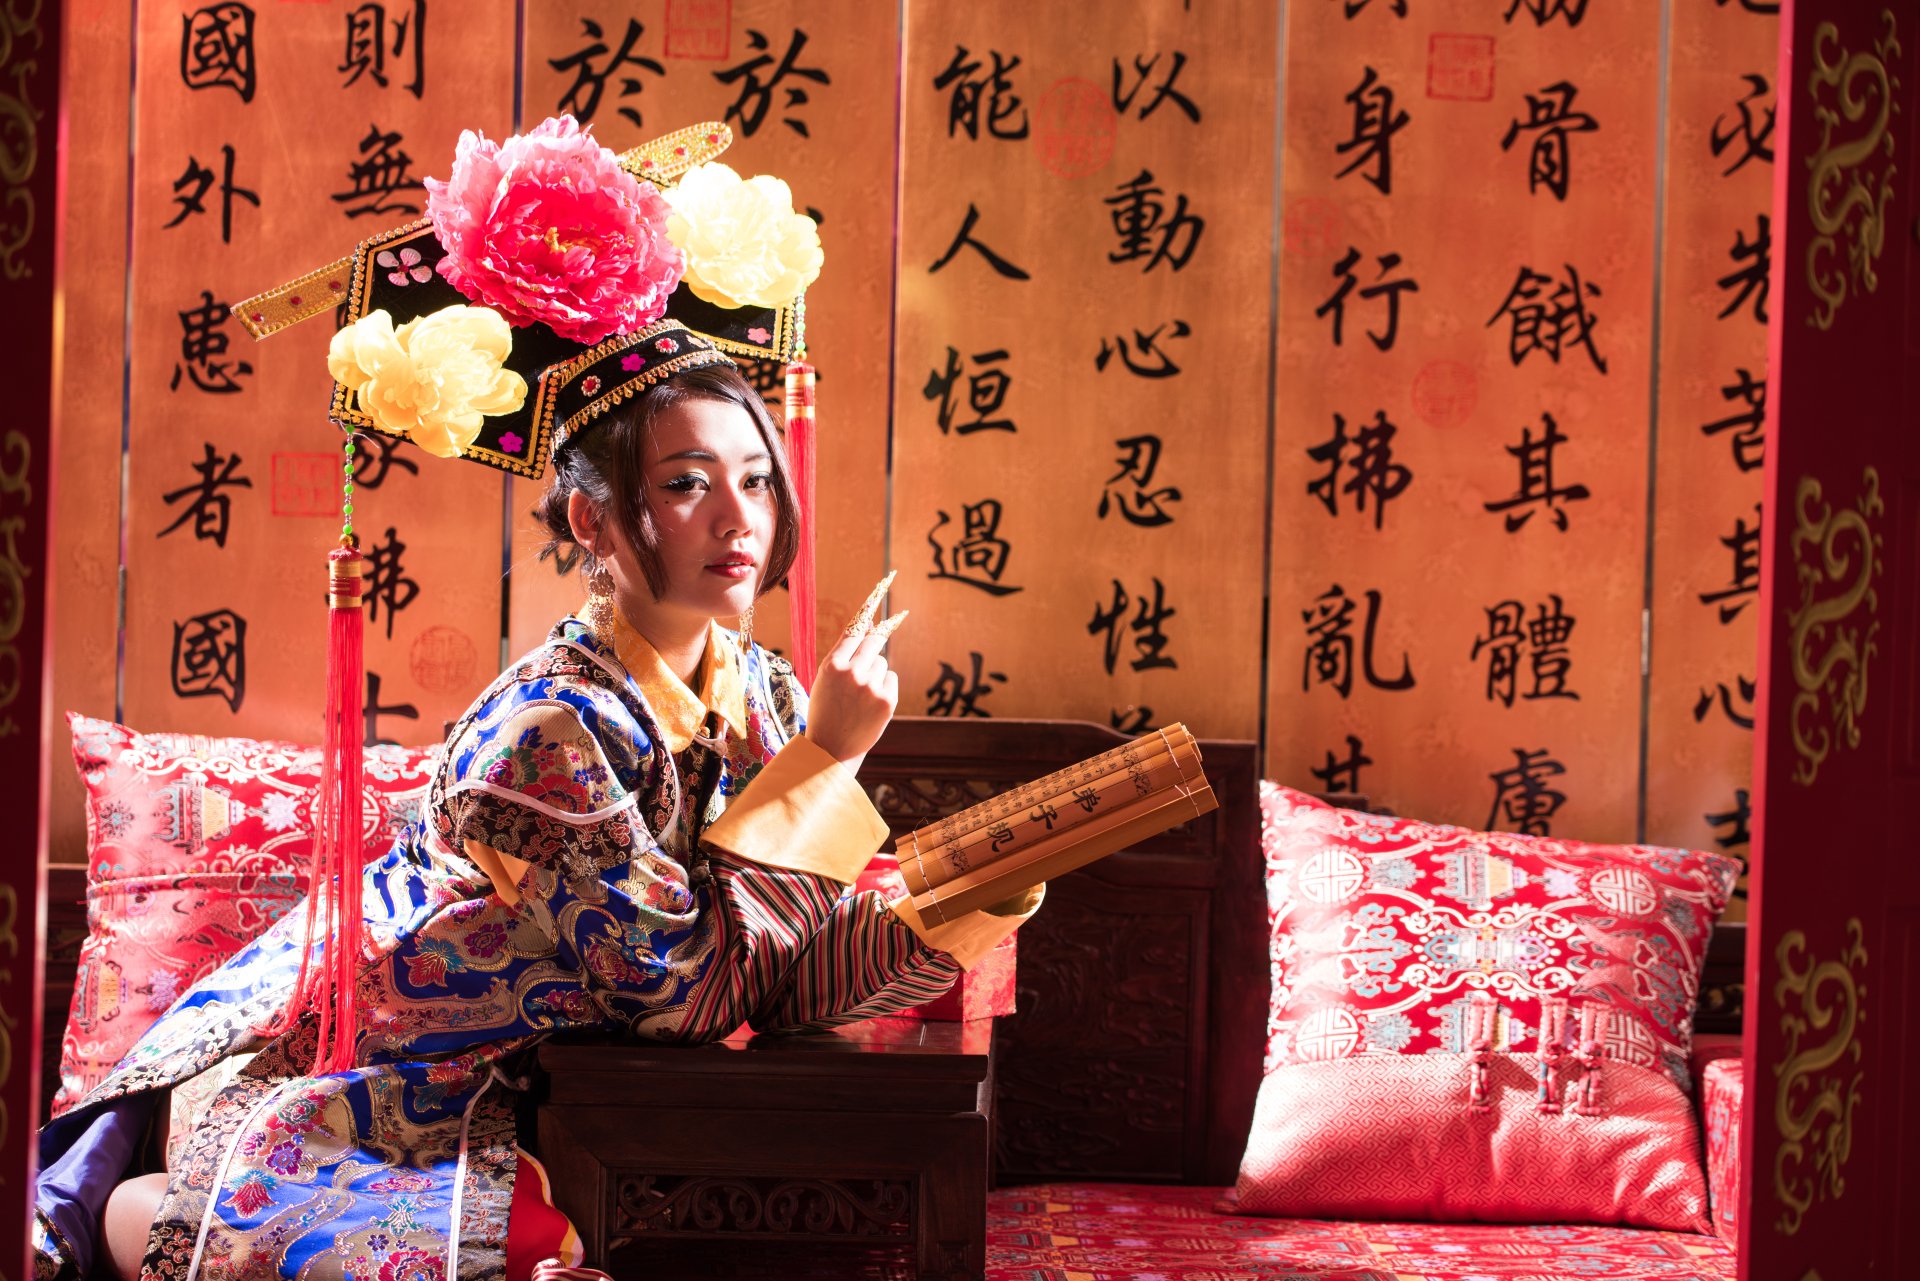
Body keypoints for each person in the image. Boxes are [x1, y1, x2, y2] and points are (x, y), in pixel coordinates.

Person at [34, 119, 1042, 1281]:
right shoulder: (545, 733)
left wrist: (968, 901)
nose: (740, 517)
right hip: (364, 1086)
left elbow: (775, 954)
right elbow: (681, 995)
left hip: (541, 1081)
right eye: (685, 483)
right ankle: (131, 1216)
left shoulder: (756, 686)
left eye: (756, 478)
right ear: (592, 518)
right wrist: (823, 761)